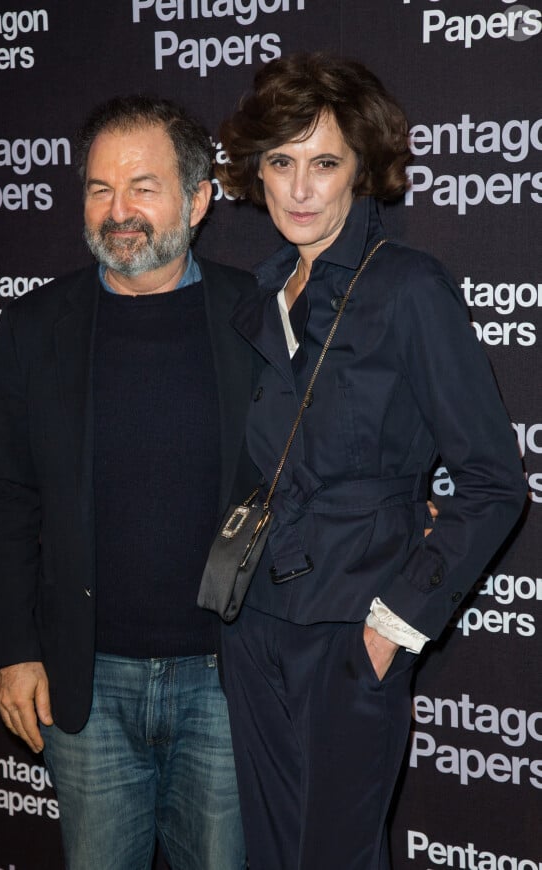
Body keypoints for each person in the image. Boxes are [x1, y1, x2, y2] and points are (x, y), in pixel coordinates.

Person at [213, 53, 527, 870]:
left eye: (324, 163)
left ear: (362, 170)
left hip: (353, 628)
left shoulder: (410, 287)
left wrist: (392, 627)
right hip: (252, 627)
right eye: (280, 162)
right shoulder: (263, 287)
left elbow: (493, 482)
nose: (300, 188)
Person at [0, 95, 257, 870]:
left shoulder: (261, 316)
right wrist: (11, 650)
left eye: (143, 186)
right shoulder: (37, 327)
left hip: (226, 685)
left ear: (198, 200)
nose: (118, 210)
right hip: (84, 686)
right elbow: (6, 497)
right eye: (100, 189)